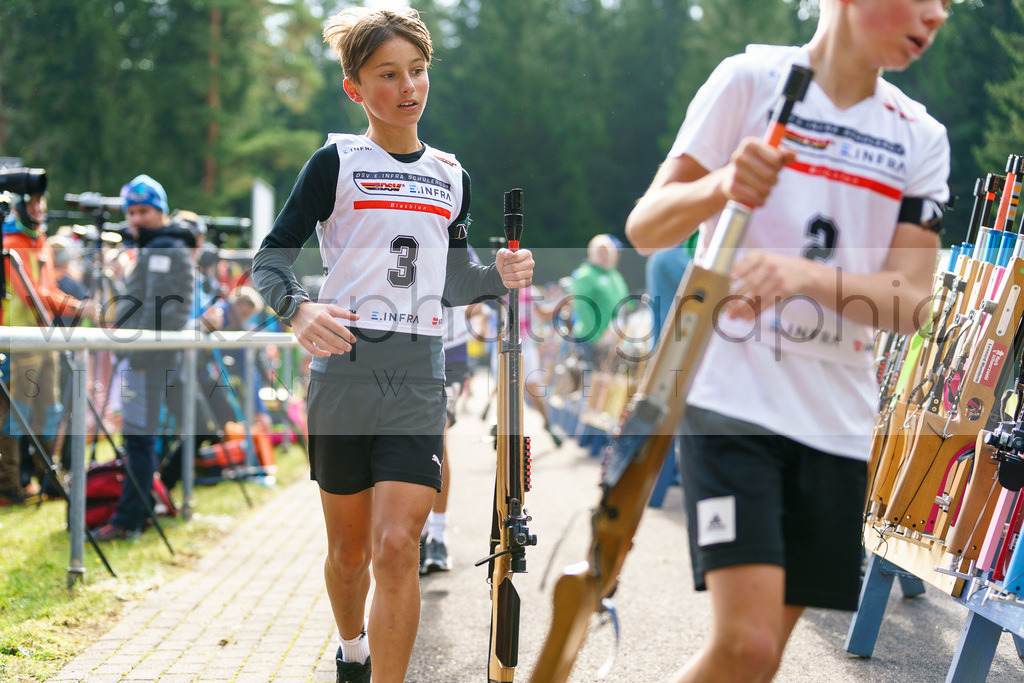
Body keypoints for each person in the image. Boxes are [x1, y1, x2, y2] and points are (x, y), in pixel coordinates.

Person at [624, 1, 950, 680]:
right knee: (742, 642)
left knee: (761, 656)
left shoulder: (920, 135)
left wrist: (803, 276)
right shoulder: (748, 79)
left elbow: (911, 301)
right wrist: (720, 184)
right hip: (730, 396)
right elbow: (647, 226)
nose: (937, 14)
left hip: (836, 422)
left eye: (948, 2)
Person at [250, 8, 534, 683]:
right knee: (349, 554)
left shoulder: (451, 176)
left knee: (396, 545)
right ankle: (352, 647)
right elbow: (269, 259)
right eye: (388, 75)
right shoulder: (335, 162)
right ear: (355, 88)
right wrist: (297, 308)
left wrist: (499, 276)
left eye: (418, 71)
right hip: (344, 371)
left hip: (416, 373)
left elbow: (452, 280)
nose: (409, 87)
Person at [94, 174, 196, 540]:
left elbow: (162, 313)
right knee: (143, 439)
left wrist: (135, 349)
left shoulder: (166, 247)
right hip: (150, 357)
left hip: (150, 360)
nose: (135, 219)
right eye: (131, 212)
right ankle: (146, 505)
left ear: (161, 211)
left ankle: (128, 521)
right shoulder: (159, 245)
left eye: (144, 211)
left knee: (138, 441)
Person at [2, 192, 97, 504]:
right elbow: (31, 293)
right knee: (18, 415)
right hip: (20, 341)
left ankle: (49, 478)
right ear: (19, 206)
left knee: (50, 412)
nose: (39, 208)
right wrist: (78, 307)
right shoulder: (13, 241)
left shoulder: (38, 239)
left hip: (45, 338)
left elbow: (49, 288)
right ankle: (10, 485)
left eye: (41, 201)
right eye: (32, 202)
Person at [567, 233, 629, 367]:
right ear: (591, 253)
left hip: (613, 339)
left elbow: (624, 304)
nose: (605, 255)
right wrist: (596, 338)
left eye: (608, 251)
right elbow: (583, 308)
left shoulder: (615, 276)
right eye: (600, 251)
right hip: (590, 341)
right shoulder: (585, 275)